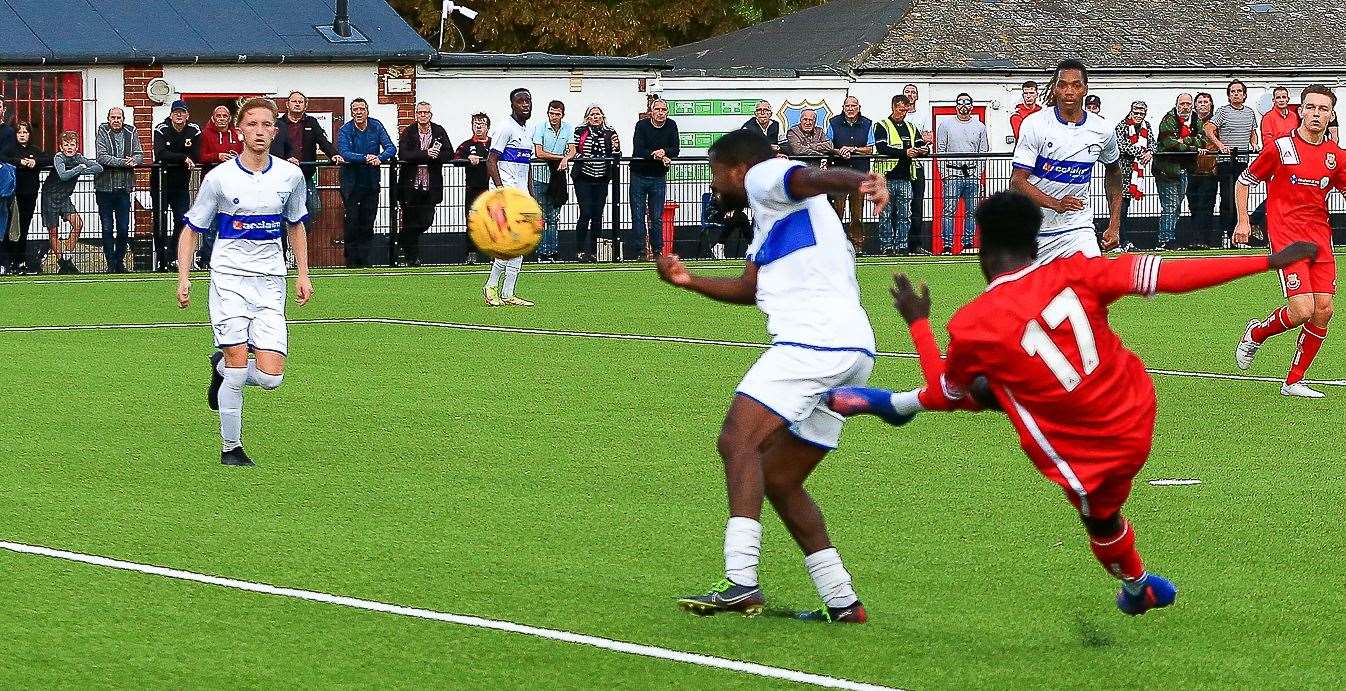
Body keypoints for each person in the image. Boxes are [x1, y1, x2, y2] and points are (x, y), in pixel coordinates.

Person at [827, 190, 1317, 615]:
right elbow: (1168, 275)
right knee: (1004, 382)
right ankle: (895, 405)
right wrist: (1266, 261)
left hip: (1087, 452)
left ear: (981, 247)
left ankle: (1136, 585)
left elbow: (942, 390)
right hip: (1137, 407)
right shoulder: (1074, 271)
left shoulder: (972, 323)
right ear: (1035, 242)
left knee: (1096, 515)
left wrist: (918, 322)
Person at [658, 129, 889, 624]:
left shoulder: (764, 176)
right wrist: (688, 280)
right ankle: (843, 601)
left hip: (813, 342)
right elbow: (749, 289)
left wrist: (860, 180)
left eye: (718, 173)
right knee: (781, 479)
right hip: (852, 350)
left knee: (737, 442)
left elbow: (806, 176)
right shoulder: (770, 219)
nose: (715, 184)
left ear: (738, 169)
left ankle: (741, 581)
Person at [179, 97, 313, 467]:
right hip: (229, 281)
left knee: (271, 379)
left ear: (275, 130)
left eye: (265, 124)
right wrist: (185, 277)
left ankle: (218, 368)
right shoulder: (219, 178)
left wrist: (302, 273)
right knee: (239, 367)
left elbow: (296, 225)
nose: (259, 131)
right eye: (251, 124)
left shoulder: (291, 176)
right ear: (240, 130)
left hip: (271, 282)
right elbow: (192, 229)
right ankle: (231, 448)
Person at [1233, 85, 1346, 398]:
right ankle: (1257, 332)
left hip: (1321, 239)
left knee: (1323, 310)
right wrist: (1244, 220)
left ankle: (1294, 381)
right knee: (1301, 310)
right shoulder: (1280, 148)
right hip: (1287, 239)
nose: (1316, 114)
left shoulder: (1336, 156)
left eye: (1323, 109)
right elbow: (1244, 182)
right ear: (1301, 111)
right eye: (1310, 107)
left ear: (1331, 115)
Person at [1011, 59, 1124, 260]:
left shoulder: (1103, 129)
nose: (1069, 91)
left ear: (1085, 89)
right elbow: (1018, 181)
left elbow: (1114, 171)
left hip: (1077, 227)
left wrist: (1114, 224)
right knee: (1035, 292)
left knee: (1093, 281)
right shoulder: (1035, 124)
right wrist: (1056, 204)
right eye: (1062, 85)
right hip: (1034, 228)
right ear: (1055, 89)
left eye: (1076, 85)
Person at [483, 88, 536, 306]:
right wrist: (499, 189)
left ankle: (508, 292)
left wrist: (531, 194)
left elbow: (527, 164)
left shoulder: (528, 129)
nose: (525, 105)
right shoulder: (505, 128)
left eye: (528, 101)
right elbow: (491, 160)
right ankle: (491, 287)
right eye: (521, 101)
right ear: (512, 105)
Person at [337, 98, 395, 267]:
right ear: (351, 112)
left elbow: (391, 148)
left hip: (371, 182)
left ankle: (365, 261)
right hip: (351, 184)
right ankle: (351, 262)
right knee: (352, 222)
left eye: (362, 109)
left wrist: (380, 158)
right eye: (355, 109)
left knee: (368, 222)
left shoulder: (376, 126)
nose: (359, 112)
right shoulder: (345, 129)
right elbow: (345, 152)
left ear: (367, 111)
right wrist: (365, 158)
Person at [271, 91, 345, 216]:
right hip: (282, 175)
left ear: (305, 106)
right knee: (282, 210)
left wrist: (334, 154)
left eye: (300, 102)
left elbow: (323, 141)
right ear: (287, 104)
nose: (297, 104)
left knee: (313, 208)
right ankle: (285, 236)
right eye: (294, 101)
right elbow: (273, 148)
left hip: (305, 175)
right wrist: (287, 159)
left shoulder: (311, 122)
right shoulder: (278, 124)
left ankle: (302, 235)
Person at [1205, 80, 1259, 248]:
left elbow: (1253, 132)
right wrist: (1220, 145)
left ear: (1244, 95)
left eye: (1239, 91)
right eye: (1233, 91)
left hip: (1242, 160)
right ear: (1228, 95)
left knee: (1241, 199)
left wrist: (1254, 144)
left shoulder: (1250, 113)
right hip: (1226, 161)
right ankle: (1226, 234)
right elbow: (1208, 128)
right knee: (1227, 198)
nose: (1236, 94)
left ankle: (1240, 235)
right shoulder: (1222, 111)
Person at [397, 101, 451, 267]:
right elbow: (404, 153)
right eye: (420, 112)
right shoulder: (408, 132)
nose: (423, 115)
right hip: (410, 186)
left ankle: (402, 239)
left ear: (430, 115)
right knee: (410, 221)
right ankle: (412, 258)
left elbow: (449, 152)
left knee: (426, 220)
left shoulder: (439, 131)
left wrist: (437, 156)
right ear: (416, 114)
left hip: (430, 185)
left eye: (426, 112)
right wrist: (425, 154)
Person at [41, 132, 103, 274]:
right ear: (61, 147)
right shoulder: (59, 158)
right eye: (66, 145)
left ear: (77, 146)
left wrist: (81, 169)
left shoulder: (79, 158)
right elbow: (63, 175)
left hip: (65, 197)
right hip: (50, 196)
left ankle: (67, 255)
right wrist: (78, 169)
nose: (69, 147)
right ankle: (63, 262)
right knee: (53, 231)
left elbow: (98, 167)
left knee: (78, 223)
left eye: (72, 144)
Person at [936, 93, 990, 255]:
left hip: (972, 174)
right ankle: (947, 245)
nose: (963, 105)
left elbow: (983, 151)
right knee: (948, 210)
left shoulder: (980, 126)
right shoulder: (945, 125)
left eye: (967, 103)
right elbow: (940, 149)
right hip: (952, 173)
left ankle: (967, 244)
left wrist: (978, 173)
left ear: (971, 107)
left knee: (972, 211)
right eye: (960, 102)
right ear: (956, 106)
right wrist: (944, 173)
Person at [92, 107, 143, 273]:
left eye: (118, 117)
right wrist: (124, 162)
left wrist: (134, 160)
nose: (116, 120)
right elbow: (102, 157)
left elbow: (139, 155)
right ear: (108, 119)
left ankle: (119, 261)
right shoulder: (102, 130)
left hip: (124, 188)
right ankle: (110, 263)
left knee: (123, 227)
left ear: (123, 119)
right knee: (107, 227)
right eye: (113, 117)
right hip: (104, 188)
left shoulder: (131, 131)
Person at [152, 100, 201, 272]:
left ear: (187, 115)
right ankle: (161, 259)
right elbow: (160, 153)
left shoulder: (194, 130)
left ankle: (174, 256)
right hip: (160, 182)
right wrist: (182, 158)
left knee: (181, 219)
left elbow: (196, 153)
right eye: (176, 112)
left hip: (181, 184)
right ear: (171, 114)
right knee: (160, 221)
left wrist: (178, 156)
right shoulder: (161, 129)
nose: (179, 115)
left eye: (182, 112)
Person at [629, 98, 679, 260]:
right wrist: (658, 156)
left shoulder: (671, 125)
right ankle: (640, 252)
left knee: (657, 217)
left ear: (667, 112)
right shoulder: (641, 125)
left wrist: (663, 152)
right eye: (657, 109)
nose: (660, 113)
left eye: (663, 110)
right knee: (638, 216)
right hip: (639, 176)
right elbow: (639, 149)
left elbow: (675, 149)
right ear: (651, 111)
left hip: (658, 177)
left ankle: (657, 252)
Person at [1154, 93, 1205, 251]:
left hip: (1184, 169)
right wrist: (1192, 146)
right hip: (1166, 169)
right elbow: (1169, 144)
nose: (1185, 106)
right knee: (1169, 206)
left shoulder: (1196, 120)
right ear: (1177, 104)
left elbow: (1202, 140)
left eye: (1188, 104)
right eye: (1182, 103)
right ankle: (1165, 239)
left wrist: (1186, 141)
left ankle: (1169, 237)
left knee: (1177, 206)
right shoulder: (1168, 119)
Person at [874, 94, 922, 255]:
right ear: (894, 107)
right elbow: (882, 148)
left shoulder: (911, 127)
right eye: (900, 109)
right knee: (886, 215)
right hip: (886, 178)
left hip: (906, 177)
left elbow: (921, 144)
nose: (903, 113)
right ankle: (886, 247)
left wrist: (923, 150)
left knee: (905, 215)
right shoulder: (882, 125)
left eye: (905, 110)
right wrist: (905, 152)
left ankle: (902, 246)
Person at [571, 104, 620, 263]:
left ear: (602, 117)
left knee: (598, 215)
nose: (595, 117)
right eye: (592, 114)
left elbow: (616, 153)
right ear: (587, 118)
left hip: (601, 178)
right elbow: (574, 151)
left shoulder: (610, 132)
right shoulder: (580, 131)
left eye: (598, 114)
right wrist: (581, 157)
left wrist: (617, 148)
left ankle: (593, 252)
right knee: (585, 212)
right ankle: (579, 251)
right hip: (583, 177)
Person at [198, 105, 244, 269]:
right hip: (212, 185)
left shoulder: (236, 135)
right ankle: (206, 259)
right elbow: (201, 156)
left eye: (225, 115)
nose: (222, 118)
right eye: (219, 115)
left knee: (232, 221)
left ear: (229, 118)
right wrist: (217, 156)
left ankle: (229, 259)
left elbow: (244, 155)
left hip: (232, 184)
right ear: (213, 117)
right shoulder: (205, 134)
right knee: (211, 224)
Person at [828, 96, 875, 252]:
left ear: (858, 107)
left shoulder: (868, 123)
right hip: (839, 175)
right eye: (847, 106)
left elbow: (870, 149)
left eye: (853, 106)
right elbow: (828, 146)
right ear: (843, 107)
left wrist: (853, 149)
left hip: (859, 175)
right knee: (837, 213)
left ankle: (857, 245)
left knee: (857, 214)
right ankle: (835, 245)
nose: (850, 108)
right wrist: (839, 151)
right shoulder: (833, 122)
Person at [531, 100, 575, 262]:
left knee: (554, 216)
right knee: (541, 215)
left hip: (558, 178)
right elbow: (539, 152)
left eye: (557, 114)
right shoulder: (540, 127)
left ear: (562, 115)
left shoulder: (568, 128)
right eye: (551, 113)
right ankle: (541, 252)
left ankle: (552, 251)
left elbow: (572, 150)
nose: (554, 117)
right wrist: (561, 158)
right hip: (540, 177)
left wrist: (566, 158)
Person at [5, 122, 46, 274]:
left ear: (30, 134)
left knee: (24, 227)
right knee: (12, 228)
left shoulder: (35, 150)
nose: (22, 135)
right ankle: (9, 261)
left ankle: (20, 261)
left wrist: (35, 162)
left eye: (25, 132)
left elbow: (48, 159)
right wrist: (20, 162)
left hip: (31, 194)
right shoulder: (11, 150)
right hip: (14, 195)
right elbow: (3, 157)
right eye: (19, 132)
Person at [1113, 100, 1154, 251]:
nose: (1138, 116)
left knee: (1126, 207)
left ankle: (1125, 241)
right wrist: (1140, 152)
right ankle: (1120, 240)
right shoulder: (1122, 126)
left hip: (1136, 174)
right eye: (1135, 113)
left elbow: (1152, 144)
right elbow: (1121, 146)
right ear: (1130, 112)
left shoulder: (1147, 126)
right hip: (1121, 172)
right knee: (1120, 208)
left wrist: (1149, 152)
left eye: (1141, 114)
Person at [454, 112, 491, 264]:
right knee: (472, 221)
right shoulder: (467, 145)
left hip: (492, 190)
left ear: (487, 127)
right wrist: (467, 159)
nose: (478, 127)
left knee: (492, 222)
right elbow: (455, 158)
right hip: (473, 189)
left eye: (481, 124)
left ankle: (493, 253)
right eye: (475, 124)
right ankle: (471, 253)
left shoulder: (494, 144)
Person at [902, 84, 933, 255]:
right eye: (908, 92)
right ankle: (899, 244)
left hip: (918, 166)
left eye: (913, 92)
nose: (910, 95)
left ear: (917, 97)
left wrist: (919, 142)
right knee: (899, 207)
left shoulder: (923, 115)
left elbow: (928, 138)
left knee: (917, 205)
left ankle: (915, 245)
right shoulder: (898, 117)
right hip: (901, 166)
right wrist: (918, 140)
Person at [1186, 92, 1220, 249]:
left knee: (1206, 205)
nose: (1203, 104)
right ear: (1195, 105)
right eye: (1200, 101)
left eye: (1206, 101)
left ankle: (1205, 240)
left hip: (1210, 170)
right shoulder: (1189, 122)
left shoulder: (1216, 122)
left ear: (1211, 105)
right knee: (1193, 206)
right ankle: (1194, 239)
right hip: (1192, 170)